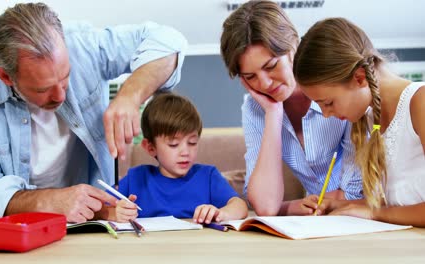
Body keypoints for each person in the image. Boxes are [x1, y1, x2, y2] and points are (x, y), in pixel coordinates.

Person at [0, 3, 187, 223]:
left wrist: (130, 97)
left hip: (92, 224)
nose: (60, 96)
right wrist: (51, 201)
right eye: (43, 89)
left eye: (66, 76)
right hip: (21, 230)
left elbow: (167, 41)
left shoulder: (83, 47)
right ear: (5, 77)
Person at [219, 0, 363, 216]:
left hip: (360, 213)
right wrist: (273, 113)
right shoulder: (255, 109)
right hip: (318, 219)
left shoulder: (335, 85)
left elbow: (355, 192)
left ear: (293, 47)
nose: (265, 84)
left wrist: (289, 207)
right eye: (250, 77)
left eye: (271, 66)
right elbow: (266, 206)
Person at [293, 17, 425, 227]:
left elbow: (386, 211)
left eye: (328, 103)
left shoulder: (420, 102)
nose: (326, 115)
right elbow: (399, 202)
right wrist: (342, 206)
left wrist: (373, 213)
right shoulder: (370, 118)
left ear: (360, 77)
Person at [99, 92, 248, 223]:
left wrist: (221, 213)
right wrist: (114, 213)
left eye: (192, 142)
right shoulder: (136, 179)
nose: (185, 152)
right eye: (173, 144)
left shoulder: (207, 176)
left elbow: (240, 206)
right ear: (151, 147)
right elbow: (97, 209)